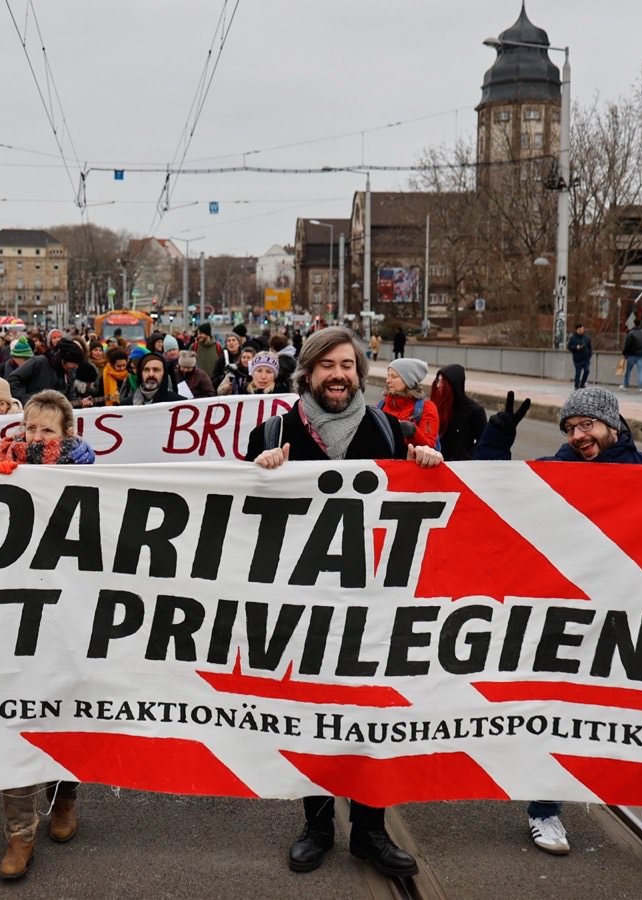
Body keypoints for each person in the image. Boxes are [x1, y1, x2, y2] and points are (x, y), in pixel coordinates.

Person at [473, 385, 642, 878]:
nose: (578, 436)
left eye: (587, 425)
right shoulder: (556, 472)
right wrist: (495, 439)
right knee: (556, 709)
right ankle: (544, 813)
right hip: (568, 618)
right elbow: (491, 498)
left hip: (635, 618)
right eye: (570, 429)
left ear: (611, 424)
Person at [244, 327, 441, 879]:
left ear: (360, 373)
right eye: (327, 366)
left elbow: (434, 494)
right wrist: (259, 472)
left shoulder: (388, 430)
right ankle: (318, 825)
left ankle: (371, 832)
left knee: (371, 713)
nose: (338, 375)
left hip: (375, 605)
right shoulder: (273, 431)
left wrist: (425, 458)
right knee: (313, 714)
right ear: (306, 374)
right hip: (303, 606)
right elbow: (233, 511)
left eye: (348, 366)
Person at [0, 389, 93, 880]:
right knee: (13, 715)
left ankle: (65, 794)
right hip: (13, 615)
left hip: (70, 614)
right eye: (29, 428)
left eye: (46, 430)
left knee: (64, 711)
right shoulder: (0, 470)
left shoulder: (89, 474)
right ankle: (20, 833)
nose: (34, 437)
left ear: (66, 434)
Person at [429, 364, 487, 461]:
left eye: (441, 381)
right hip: (438, 463)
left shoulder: (475, 411)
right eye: (437, 380)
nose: (438, 385)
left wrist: (467, 459)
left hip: (461, 467)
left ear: (452, 385)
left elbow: (483, 441)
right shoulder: (438, 406)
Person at [378, 357, 438, 447]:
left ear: (408, 380)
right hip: (382, 461)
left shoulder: (426, 408)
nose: (388, 380)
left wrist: (412, 431)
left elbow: (429, 446)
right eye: (388, 376)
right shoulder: (382, 405)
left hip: (410, 461)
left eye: (394, 376)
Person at [7, 338, 82, 404]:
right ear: (63, 360)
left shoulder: (70, 372)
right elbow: (14, 379)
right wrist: (27, 400)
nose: (76, 366)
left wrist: (79, 403)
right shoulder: (39, 362)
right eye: (74, 363)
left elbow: (71, 397)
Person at [621, 322, 642, 392]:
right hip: (641, 355)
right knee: (641, 371)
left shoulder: (631, 333)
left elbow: (627, 345)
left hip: (631, 354)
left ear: (634, 325)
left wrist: (624, 353)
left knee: (628, 371)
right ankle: (640, 386)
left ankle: (626, 385)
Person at [566, 323, 593, 390]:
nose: (581, 331)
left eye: (582, 329)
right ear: (577, 330)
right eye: (580, 329)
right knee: (578, 372)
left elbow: (590, 347)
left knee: (587, 371)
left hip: (586, 358)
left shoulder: (587, 338)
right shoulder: (573, 338)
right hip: (577, 359)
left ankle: (582, 383)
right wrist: (576, 347)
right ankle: (576, 385)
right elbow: (569, 347)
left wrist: (589, 354)